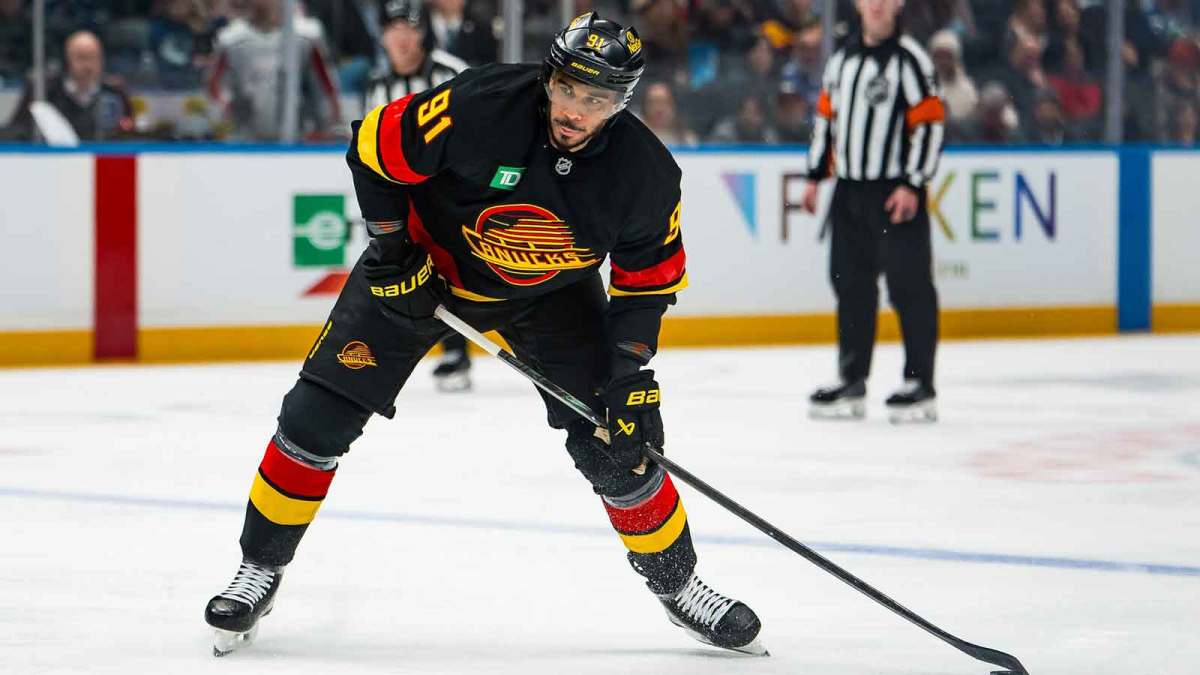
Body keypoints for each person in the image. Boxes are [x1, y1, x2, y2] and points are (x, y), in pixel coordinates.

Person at [203, 12, 765, 657]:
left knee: (620, 442)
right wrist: (390, 253)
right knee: (314, 417)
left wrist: (632, 375)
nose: (576, 111)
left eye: (599, 98)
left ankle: (681, 585)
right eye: (568, 88)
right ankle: (259, 569)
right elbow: (371, 149)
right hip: (420, 272)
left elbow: (646, 286)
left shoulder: (647, 176)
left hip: (550, 295)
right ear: (548, 76)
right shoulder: (481, 103)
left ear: (623, 101)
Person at [800, 0, 944, 423]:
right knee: (850, 284)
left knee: (909, 287)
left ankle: (921, 384)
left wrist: (913, 182)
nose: (877, 5)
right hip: (849, 194)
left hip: (895, 193)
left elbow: (930, 124)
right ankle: (851, 379)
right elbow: (826, 121)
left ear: (899, 4)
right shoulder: (841, 60)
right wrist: (814, 176)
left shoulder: (911, 60)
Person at [362, 0, 474, 389]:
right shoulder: (377, 85)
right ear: (382, 34)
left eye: (410, 28)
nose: (402, 37)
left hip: (451, 194)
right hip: (401, 198)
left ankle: (456, 352)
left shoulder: (451, 73)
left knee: (451, 272)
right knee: (394, 272)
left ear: (424, 31)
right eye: (394, 28)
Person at [207, 0, 341, 141]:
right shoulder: (231, 40)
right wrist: (226, 111)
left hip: (296, 142)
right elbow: (214, 90)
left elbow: (325, 92)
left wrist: (327, 129)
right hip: (243, 142)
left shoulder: (306, 37)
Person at [2, 30, 134, 141]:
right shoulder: (44, 90)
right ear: (68, 58)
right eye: (82, 57)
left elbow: (129, 131)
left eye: (94, 57)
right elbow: (17, 128)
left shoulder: (113, 92)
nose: (88, 65)